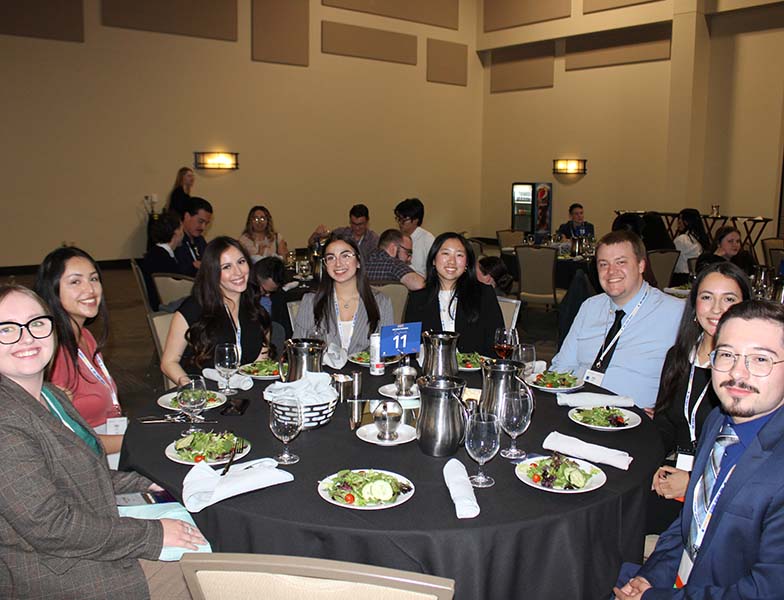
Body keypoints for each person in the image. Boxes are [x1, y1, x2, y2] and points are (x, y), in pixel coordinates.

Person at [0, 284, 204, 599]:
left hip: (89, 536)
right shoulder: (6, 421)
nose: (26, 337)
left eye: (37, 323)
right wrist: (153, 534)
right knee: (210, 574)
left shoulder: (50, 395)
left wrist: (148, 482)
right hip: (55, 570)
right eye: (7, 329)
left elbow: (81, 476)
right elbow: (50, 527)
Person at [614, 299, 784, 599]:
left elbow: (766, 590)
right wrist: (652, 575)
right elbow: (692, 521)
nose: (737, 373)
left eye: (760, 359)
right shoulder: (719, 421)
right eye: (727, 355)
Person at [647, 262, 751, 534]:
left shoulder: (749, 374)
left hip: (720, 489)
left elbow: (749, 454)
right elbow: (665, 425)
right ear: (694, 306)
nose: (717, 309)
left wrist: (695, 481)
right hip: (676, 471)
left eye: (729, 299)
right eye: (707, 297)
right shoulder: (679, 357)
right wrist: (653, 467)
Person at [551, 230, 684, 410]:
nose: (611, 271)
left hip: (634, 422)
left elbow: (690, 384)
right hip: (577, 412)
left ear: (641, 265)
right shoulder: (590, 307)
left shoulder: (675, 312)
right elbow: (562, 366)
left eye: (621, 262)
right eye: (603, 264)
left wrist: (664, 416)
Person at [34, 247, 125, 458]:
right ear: (53, 289)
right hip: (87, 461)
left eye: (93, 279)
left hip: (109, 442)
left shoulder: (85, 336)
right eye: (75, 282)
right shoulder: (54, 353)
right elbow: (67, 439)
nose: (90, 289)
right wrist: (135, 439)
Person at [161, 237, 271, 384]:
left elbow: (260, 364)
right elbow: (169, 362)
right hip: (207, 395)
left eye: (241, 262)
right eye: (226, 267)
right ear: (213, 273)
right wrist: (192, 389)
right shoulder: (193, 309)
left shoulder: (256, 310)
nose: (238, 272)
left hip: (246, 391)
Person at [403, 232, 504, 357]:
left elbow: (495, 343)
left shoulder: (484, 294)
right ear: (433, 260)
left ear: (467, 263)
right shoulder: (417, 298)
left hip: (474, 373)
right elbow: (409, 350)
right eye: (445, 253)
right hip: (431, 373)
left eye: (459, 255)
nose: (452, 261)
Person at [293, 232, 393, 354]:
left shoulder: (381, 302)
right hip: (322, 372)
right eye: (331, 258)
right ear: (325, 265)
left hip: (366, 372)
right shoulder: (310, 301)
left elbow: (387, 352)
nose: (338, 263)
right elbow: (297, 351)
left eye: (345, 256)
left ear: (358, 261)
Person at [141, 210, 186, 311]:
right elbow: (177, 284)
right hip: (166, 304)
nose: (183, 234)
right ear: (176, 232)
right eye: (182, 230)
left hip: (158, 301)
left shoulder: (154, 253)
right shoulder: (163, 259)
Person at [310, 204, 380, 261]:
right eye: (353, 224)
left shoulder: (374, 240)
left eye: (360, 224)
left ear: (367, 222)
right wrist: (317, 234)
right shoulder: (341, 233)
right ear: (350, 221)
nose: (357, 228)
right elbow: (312, 243)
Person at [251, 256, 292, 339]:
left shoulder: (277, 297)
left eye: (271, 292)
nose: (268, 295)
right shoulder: (242, 295)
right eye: (265, 291)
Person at [394, 198, 435, 277]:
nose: (400, 223)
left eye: (403, 220)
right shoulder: (397, 237)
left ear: (416, 220)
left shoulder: (427, 239)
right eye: (398, 218)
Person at [174, 197, 213, 276]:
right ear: (187, 216)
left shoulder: (200, 240)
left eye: (206, 223)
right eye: (200, 221)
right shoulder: (175, 240)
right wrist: (193, 267)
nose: (203, 227)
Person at [671, 208, 709, 286]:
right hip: (697, 277)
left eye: (680, 219)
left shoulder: (682, 240)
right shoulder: (700, 240)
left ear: (686, 222)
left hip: (680, 278)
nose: (678, 222)